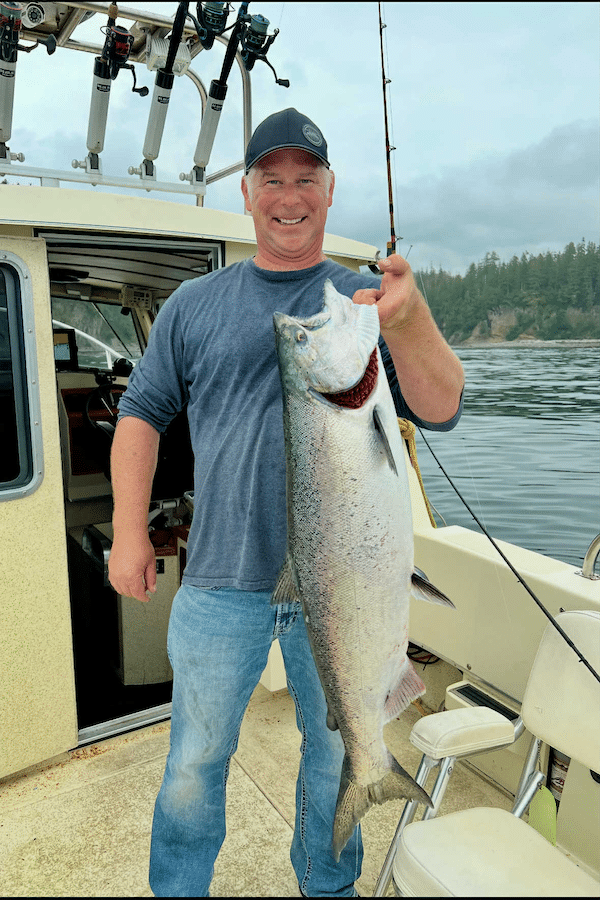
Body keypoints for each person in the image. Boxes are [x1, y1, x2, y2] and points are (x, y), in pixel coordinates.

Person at [108, 107, 465, 897]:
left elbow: (441, 406)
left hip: (343, 592)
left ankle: (326, 885)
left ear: (330, 192)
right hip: (218, 581)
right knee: (195, 759)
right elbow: (140, 413)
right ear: (248, 192)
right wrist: (128, 532)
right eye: (274, 179)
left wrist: (411, 320)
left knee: (336, 751)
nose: (290, 195)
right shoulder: (193, 305)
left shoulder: (367, 306)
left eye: (307, 178)